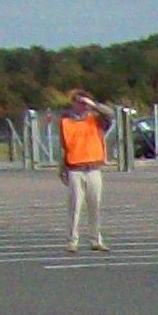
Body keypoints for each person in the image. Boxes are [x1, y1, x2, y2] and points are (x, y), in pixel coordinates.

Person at [56, 88, 112, 251]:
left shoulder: (96, 119)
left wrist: (93, 105)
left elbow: (110, 114)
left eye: (84, 102)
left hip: (93, 168)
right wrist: (62, 169)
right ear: (73, 103)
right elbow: (64, 147)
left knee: (95, 206)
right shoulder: (66, 121)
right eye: (79, 102)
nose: (82, 105)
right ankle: (72, 241)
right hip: (75, 169)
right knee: (75, 207)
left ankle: (96, 240)